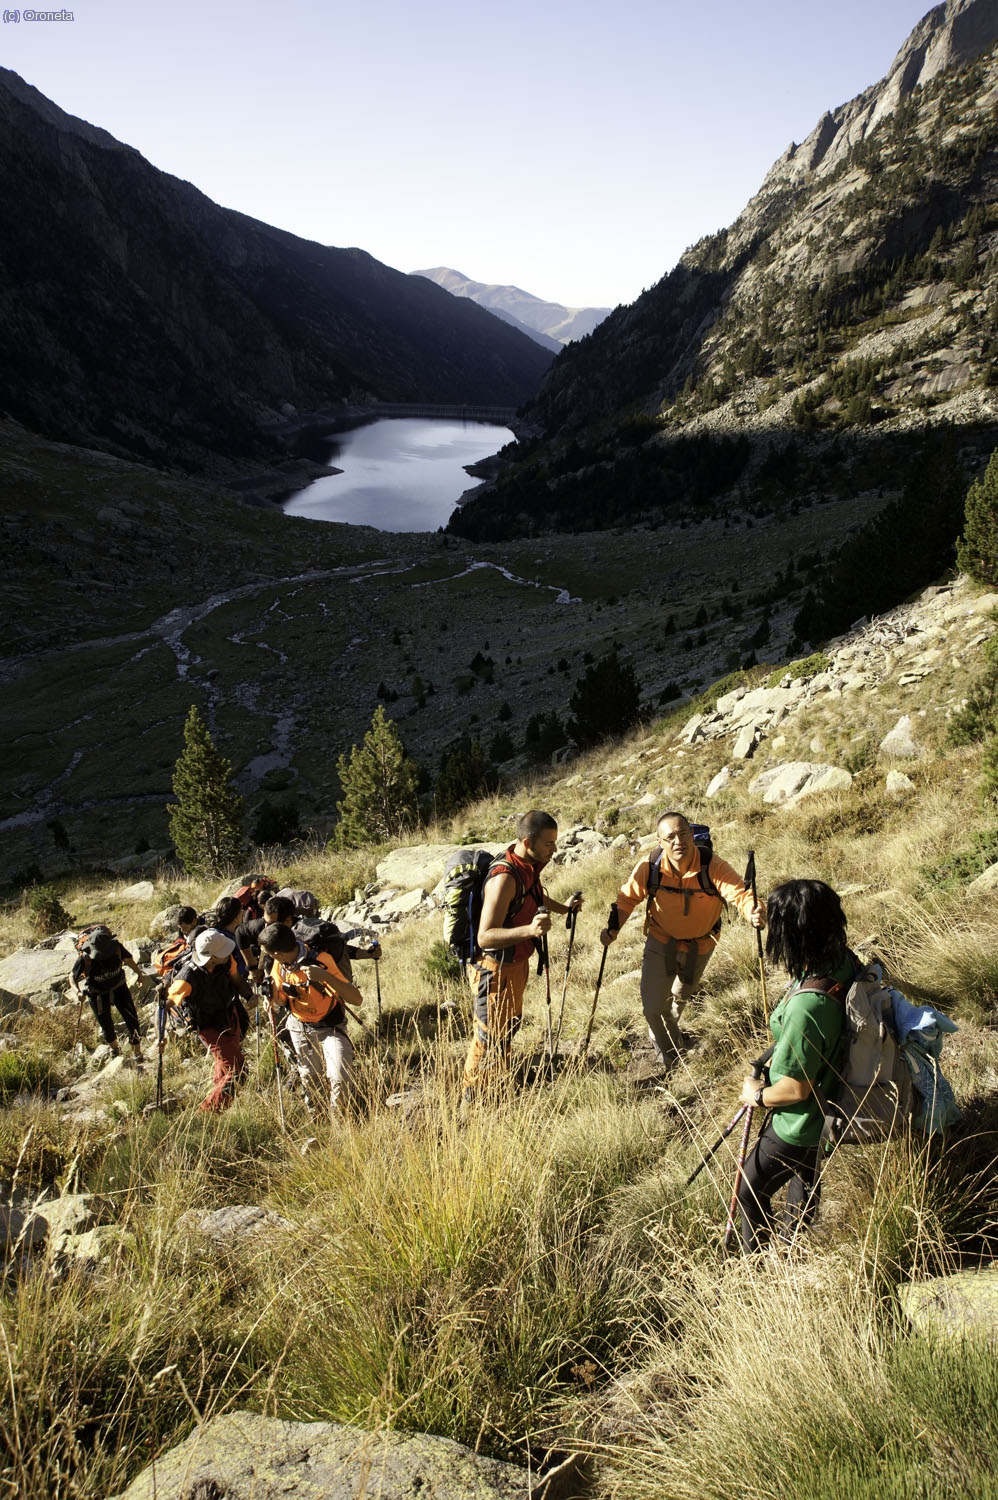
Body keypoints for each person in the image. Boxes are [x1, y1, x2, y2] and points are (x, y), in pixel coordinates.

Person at [736, 879, 852, 1253]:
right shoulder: (843, 962)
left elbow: (794, 1090)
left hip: (799, 1122)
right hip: (833, 1110)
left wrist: (758, 1095)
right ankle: (792, 1251)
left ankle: (751, 1265)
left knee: (749, 1187)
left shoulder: (807, 1007)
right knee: (805, 1179)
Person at [599, 811, 765, 1067]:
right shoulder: (650, 866)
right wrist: (614, 928)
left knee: (678, 998)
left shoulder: (712, 865)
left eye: (683, 834)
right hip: (660, 939)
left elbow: (740, 894)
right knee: (654, 1007)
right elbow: (627, 898)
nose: (679, 841)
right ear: (660, 842)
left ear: (691, 834)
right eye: (671, 837)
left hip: (701, 943)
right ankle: (672, 1057)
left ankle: (667, 1040)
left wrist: (753, 911)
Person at [462, 809, 582, 1099]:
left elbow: (534, 895)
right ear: (528, 842)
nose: (554, 850)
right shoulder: (505, 877)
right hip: (493, 968)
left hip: (516, 964)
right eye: (549, 844)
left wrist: (564, 909)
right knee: (488, 1035)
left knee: (509, 1027)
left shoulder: (528, 866)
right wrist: (530, 931)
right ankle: (472, 1097)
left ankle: (499, 1082)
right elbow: (485, 935)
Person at [259, 921, 364, 1116]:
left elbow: (356, 999)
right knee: (310, 1077)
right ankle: (317, 1116)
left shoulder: (321, 960)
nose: (267, 957)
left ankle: (338, 1121)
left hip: (330, 1026)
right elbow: (282, 998)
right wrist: (271, 997)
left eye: (268, 953)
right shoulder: (280, 965)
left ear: (278, 953)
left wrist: (324, 976)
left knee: (339, 1076)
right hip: (299, 1026)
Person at [167, 929, 248, 1112]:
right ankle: (209, 1111)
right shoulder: (187, 976)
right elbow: (170, 1001)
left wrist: (249, 996)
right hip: (207, 1026)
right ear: (212, 957)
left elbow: (237, 980)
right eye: (224, 952)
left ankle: (219, 1094)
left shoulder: (226, 962)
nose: (229, 953)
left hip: (228, 1015)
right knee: (238, 1070)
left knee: (226, 1063)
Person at [71, 925, 146, 1061]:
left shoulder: (116, 947)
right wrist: (77, 992)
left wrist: (139, 974)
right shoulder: (86, 957)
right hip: (97, 993)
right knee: (106, 1024)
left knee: (132, 1019)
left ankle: (137, 1052)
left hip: (119, 987)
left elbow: (128, 960)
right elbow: (72, 977)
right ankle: (115, 1049)